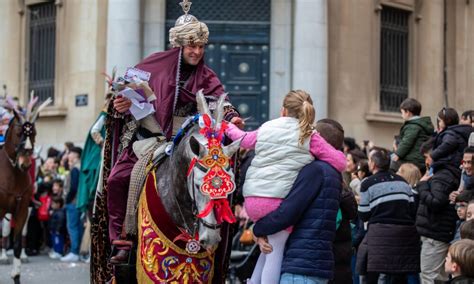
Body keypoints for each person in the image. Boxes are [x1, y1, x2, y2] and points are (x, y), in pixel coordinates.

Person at [106, 7, 241, 265]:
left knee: (219, 175)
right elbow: (125, 98)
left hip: (188, 141)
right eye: (191, 46)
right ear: (179, 45)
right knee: (118, 179)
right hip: (152, 138)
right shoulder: (150, 65)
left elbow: (220, 102)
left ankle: (219, 235)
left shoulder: (207, 75)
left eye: (201, 46)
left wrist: (232, 116)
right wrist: (120, 105)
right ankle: (123, 239)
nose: (197, 52)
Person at [225, 91, 346, 283]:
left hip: (253, 201)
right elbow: (340, 161)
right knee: (274, 251)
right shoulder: (309, 136)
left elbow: (244, 139)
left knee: (263, 251)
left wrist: (228, 128)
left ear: (283, 110)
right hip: (277, 202)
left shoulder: (267, 127)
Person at [252, 118, 345, 284]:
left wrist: (258, 228)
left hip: (300, 266)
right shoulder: (332, 172)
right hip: (313, 264)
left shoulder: (316, 170)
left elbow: (288, 212)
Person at [356, 147, 419, 284]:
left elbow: (363, 214)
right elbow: (411, 208)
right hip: (403, 238)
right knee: (397, 278)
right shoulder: (402, 182)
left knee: (373, 277)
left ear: (373, 164)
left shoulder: (367, 183)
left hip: (379, 238)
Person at [417, 138, 460, 283]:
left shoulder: (443, 175)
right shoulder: (444, 172)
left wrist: (422, 185)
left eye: (426, 157)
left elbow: (436, 202)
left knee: (429, 276)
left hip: (435, 233)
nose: (426, 161)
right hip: (437, 232)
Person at [391, 98, 434, 173]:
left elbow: (407, 142)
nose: (402, 115)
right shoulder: (420, 124)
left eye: (402, 113)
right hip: (419, 159)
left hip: (413, 160)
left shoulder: (413, 126)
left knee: (392, 164)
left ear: (407, 112)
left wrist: (397, 154)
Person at [60, 146, 83, 262]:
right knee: (78, 227)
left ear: (75, 155)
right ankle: (77, 251)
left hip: (73, 203)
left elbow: (73, 187)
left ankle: (74, 252)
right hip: (78, 202)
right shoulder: (80, 166)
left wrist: (67, 200)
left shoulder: (75, 169)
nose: (68, 155)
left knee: (72, 227)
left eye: (69, 153)